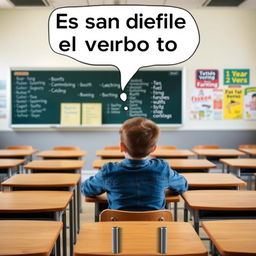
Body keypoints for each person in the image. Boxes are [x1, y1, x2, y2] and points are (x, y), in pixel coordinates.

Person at [81, 117, 188, 211]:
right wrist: (165, 191)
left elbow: (86, 190)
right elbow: (182, 185)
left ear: (122, 146)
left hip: (118, 231)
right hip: (155, 231)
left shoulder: (109, 172)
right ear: (153, 149)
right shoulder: (162, 170)